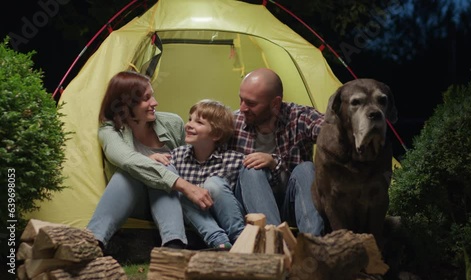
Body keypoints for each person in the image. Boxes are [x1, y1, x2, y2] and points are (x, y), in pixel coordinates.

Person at [87, 71, 214, 250]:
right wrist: (183, 185)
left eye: (152, 96)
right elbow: (127, 160)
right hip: (133, 203)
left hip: (173, 202)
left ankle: (173, 244)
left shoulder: (173, 123)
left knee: (166, 164)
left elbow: (189, 161)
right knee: (130, 171)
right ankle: (93, 243)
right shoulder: (110, 131)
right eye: (146, 98)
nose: (154, 103)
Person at [229, 68, 324, 236]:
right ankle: (275, 242)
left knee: (307, 168)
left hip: (292, 202)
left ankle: (312, 244)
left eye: (251, 103)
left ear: (275, 103)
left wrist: (274, 163)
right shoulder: (233, 122)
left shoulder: (299, 116)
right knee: (251, 168)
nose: (243, 108)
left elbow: (331, 132)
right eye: (241, 100)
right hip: (250, 204)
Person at [166, 99, 245, 249]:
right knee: (179, 192)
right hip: (199, 224)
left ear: (216, 134)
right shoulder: (177, 156)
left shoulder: (234, 160)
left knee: (214, 184)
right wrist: (151, 158)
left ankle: (240, 238)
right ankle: (220, 243)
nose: (189, 125)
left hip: (228, 219)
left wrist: (270, 160)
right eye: (190, 119)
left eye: (199, 122)